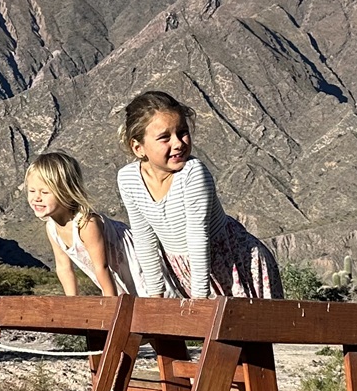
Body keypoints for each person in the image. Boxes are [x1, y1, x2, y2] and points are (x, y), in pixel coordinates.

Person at [115, 89, 283, 299]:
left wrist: (199, 300)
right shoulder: (129, 179)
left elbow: (198, 237)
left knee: (249, 329)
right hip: (189, 274)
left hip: (235, 266)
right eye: (164, 137)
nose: (178, 143)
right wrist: (154, 295)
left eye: (182, 132)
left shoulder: (192, 174)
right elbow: (144, 238)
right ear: (138, 147)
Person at [24, 151, 138, 297]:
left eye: (45, 192)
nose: (36, 198)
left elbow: (102, 267)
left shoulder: (86, 224)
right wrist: (72, 303)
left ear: (66, 192)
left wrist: (110, 307)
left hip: (138, 269)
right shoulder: (52, 227)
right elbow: (64, 267)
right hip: (118, 277)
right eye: (32, 191)